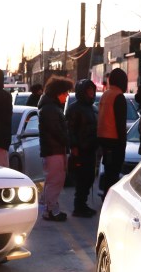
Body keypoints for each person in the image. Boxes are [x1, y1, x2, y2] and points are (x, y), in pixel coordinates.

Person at [38, 75, 74, 221]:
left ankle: (50, 207)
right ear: (58, 92)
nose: (66, 96)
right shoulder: (51, 109)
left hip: (54, 149)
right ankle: (51, 210)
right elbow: (57, 131)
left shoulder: (51, 107)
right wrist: (69, 141)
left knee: (53, 180)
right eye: (65, 93)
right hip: (54, 150)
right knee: (55, 180)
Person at [66, 78, 99, 218]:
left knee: (90, 178)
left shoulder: (93, 108)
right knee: (82, 179)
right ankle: (78, 207)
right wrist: (74, 147)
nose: (91, 93)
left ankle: (83, 204)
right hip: (80, 150)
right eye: (88, 90)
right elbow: (70, 130)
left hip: (92, 149)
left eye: (93, 90)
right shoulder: (74, 108)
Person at [97, 68, 128, 197]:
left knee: (108, 173)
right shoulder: (119, 97)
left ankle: (105, 196)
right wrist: (123, 143)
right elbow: (120, 123)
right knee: (113, 175)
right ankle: (109, 200)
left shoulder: (106, 94)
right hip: (115, 140)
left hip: (103, 139)